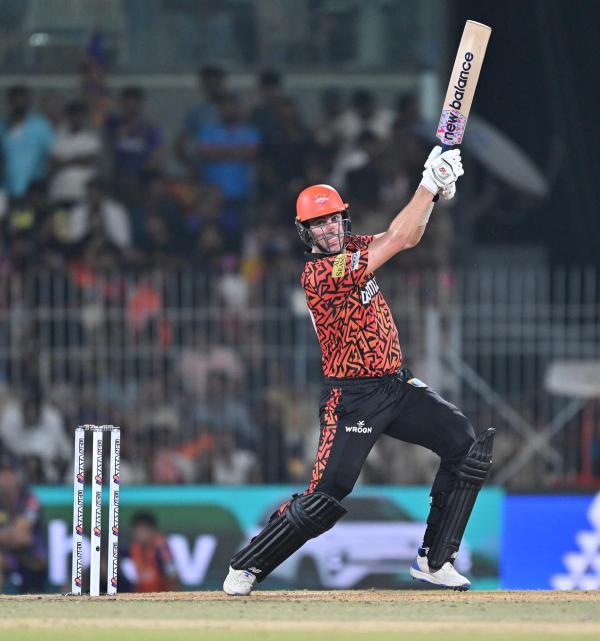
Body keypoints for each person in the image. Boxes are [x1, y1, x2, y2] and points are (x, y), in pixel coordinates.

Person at [223, 146, 495, 595]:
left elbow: (405, 234)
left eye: (332, 220)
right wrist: (428, 183)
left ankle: (435, 559)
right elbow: (397, 239)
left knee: (463, 443)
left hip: (397, 384)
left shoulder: (350, 245)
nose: (328, 229)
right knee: (326, 497)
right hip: (353, 397)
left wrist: (436, 191)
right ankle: (248, 564)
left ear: (342, 220)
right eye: (318, 224)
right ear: (304, 232)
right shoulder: (320, 274)